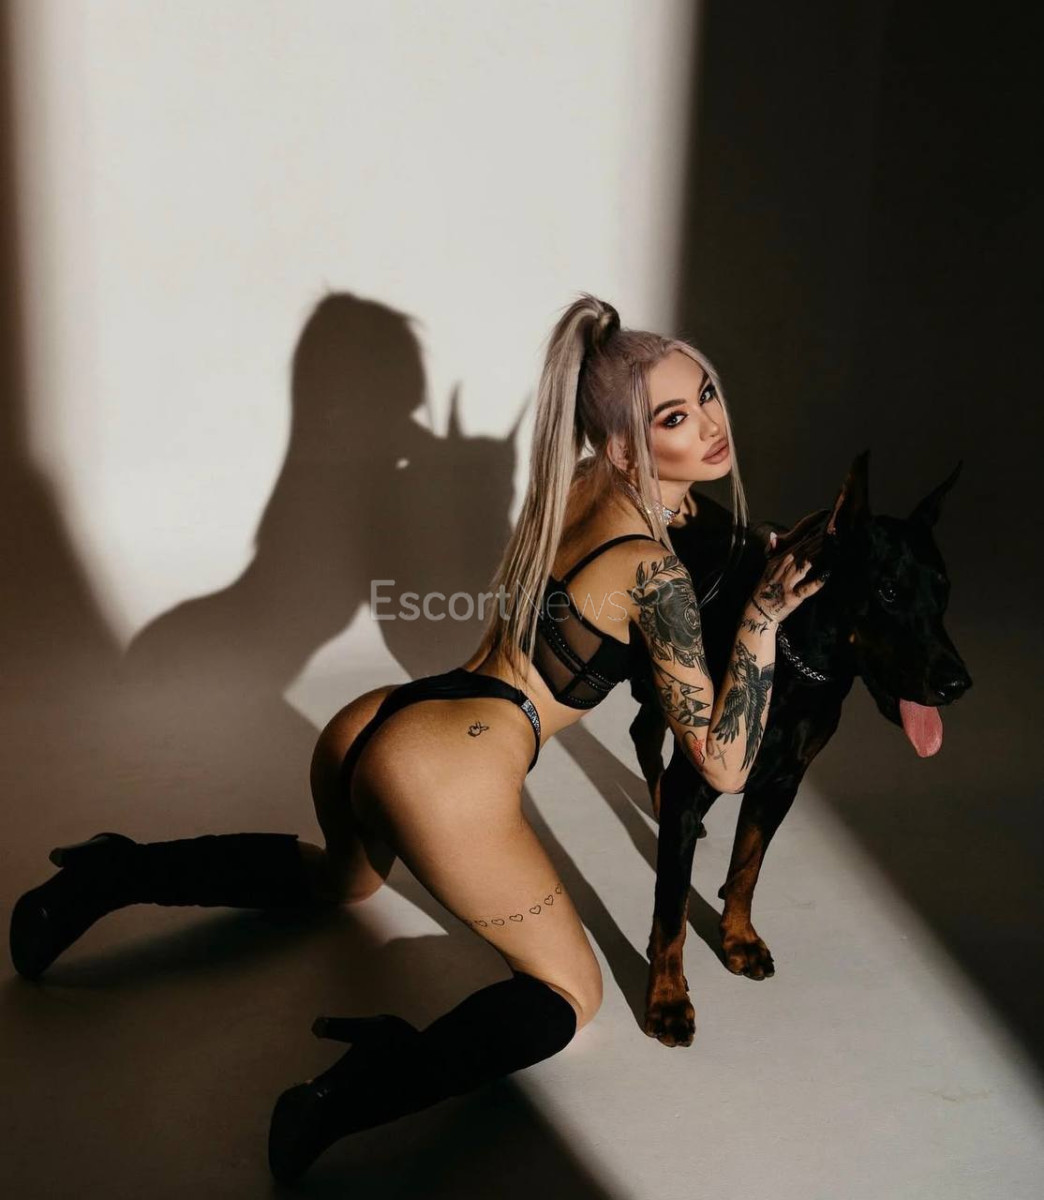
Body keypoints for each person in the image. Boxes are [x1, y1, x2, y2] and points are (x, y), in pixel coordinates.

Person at [8, 293, 824, 1181]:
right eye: (675, 416)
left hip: (380, 717)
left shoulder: (582, 482)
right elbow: (724, 765)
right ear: (625, 447)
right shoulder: (651, 572)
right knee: (570, 992)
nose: (710, 423)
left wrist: (751, 553)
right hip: (445, 770)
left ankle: (107, 873)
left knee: (342, 878)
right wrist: (762, 621)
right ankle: (365, 1084)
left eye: (706, 395)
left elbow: (683, 520)